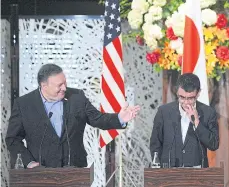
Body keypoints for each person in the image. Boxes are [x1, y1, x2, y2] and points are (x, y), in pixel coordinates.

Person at [6, 63, 140, 168]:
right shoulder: (24, 104)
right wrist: (28, 162)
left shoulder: (76, 97)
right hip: (40, 172)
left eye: (65, 82)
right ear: (44, 86)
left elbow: (97, 119)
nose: (64, 88)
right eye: (59, 85)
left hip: (75, 170)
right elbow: (12, 139)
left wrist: (120, 118)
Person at [150, 73, 219, 168]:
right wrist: (158, 168)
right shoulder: (163, 112)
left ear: (198, 93)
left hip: (197, 175)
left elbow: (214, 144)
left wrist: (197, 123)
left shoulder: (208, 112)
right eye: (182, 97)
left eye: (190, 98)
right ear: (177, 92)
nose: (186, 102)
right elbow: (155, 144)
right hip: (168, 174)